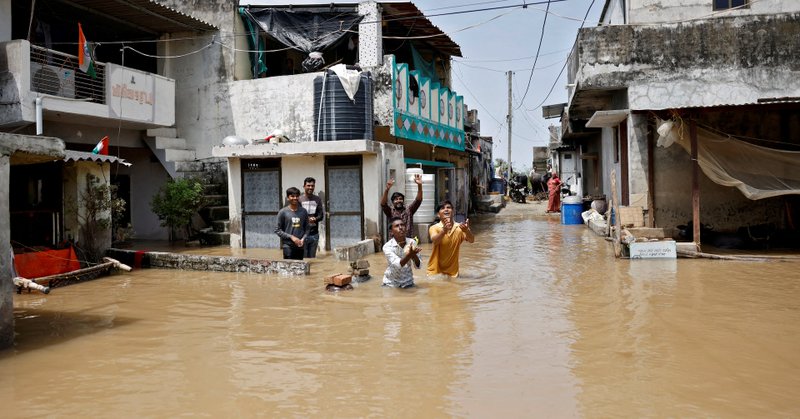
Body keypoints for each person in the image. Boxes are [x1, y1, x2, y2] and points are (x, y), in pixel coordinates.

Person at [427, 200, 474, 277]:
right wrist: (444, 231)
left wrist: (467, 231)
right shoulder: (434, 228)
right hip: (435, 272)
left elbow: (471, 240)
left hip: (453, 274)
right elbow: (435, 241)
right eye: (442, 208)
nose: (446, 209)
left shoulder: (460, 228)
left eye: (448, 207)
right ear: (438, 214)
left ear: (453, 212)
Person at [382, 217, 422, 288]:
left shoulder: (412, 242)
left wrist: (414, 255)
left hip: (408, 282)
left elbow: (418, 266)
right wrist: (410, 255)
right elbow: (398, 264)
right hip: (390, 283)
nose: (400, 228)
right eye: (397, 226)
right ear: (391, 231)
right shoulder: (387, 246)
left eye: (402, 225)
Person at [380, 173, 422, 239]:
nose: (398, 201)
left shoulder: (409, 210)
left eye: (400, 199)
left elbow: (418, 200)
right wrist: (387, 189)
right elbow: (383, 204)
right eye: (396, 199)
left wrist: (419, 185)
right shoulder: (390, 211)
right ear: (393, 202)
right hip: (394, 242)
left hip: (408, 241)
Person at [274, 187, 309, 260]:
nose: (295, 198)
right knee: (288, 269)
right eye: (292, 196)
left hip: (300, 246)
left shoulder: (303, 211)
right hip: (288, 246)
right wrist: (291, 237)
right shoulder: (283, 212)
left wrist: (303, 239)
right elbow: (277, 230)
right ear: (288, 198)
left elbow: (307, 229)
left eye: (297, 196)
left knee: (300, 269)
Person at [299, 177, 324, 258]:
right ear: (304, 186)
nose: (310, 187)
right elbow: (295, 216)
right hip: (302, 235)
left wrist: (315, 219)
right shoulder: (299, 199)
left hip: (314, 234)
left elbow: (321, 215)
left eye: (312, 186)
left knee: (312, 258)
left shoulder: (317, 199)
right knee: (304, 259)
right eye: (308, 185)